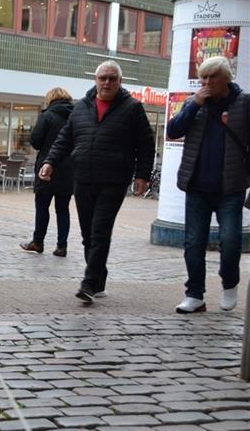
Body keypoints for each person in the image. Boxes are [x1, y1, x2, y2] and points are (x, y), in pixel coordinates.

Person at [40, 60, 155, 304]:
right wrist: (50, 162)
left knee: (100, 231)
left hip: (114, 179)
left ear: (120, 82)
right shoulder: (81, 107)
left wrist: (142, 176)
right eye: (102, 78)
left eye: (112, 78)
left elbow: (146, 144)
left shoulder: (132, 108)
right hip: (82, 178)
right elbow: (64, 139)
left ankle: (89, 283)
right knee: (87, 235)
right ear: (95, 80)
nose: (106, 82)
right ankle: (99, 279)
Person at [166, 56, 250, 314]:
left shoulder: (244, 103)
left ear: (226, 78)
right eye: (203, 77)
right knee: (193, 242)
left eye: (212, 76)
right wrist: (193, 105)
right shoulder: (195, 103)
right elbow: (173, 131)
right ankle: (194, 295)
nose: (206, 82)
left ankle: (229, 283)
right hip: (197, 186)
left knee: (230, 239)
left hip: (230, 187)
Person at [20, 88, 75, 256]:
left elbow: (36, 142)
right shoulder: (75, 117)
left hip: (46, 167)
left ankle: (38, 242)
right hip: (68, 169)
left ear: (50, 99)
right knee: (63, 209)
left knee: (42, 207)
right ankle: (62, 246)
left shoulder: (47, 116)